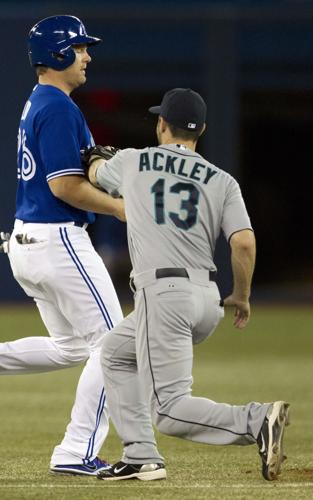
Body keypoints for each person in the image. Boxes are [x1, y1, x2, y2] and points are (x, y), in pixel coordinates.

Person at [0, 15, 125, 476]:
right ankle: (76, 450)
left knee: (71, 347)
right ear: (58, 54)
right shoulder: (58, 106)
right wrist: (122, 209)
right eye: (80, 48)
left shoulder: (39, 102)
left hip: (28, 240)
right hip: (58, 237)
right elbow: (65, 187)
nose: (87, 56)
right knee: (116, 346)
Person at [86, 88, 290, 481]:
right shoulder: (223, 180)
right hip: (206, 299)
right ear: (202, 130)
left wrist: (96, 158)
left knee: (169, 411)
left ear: (162, 124)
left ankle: (256, 421)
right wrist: (242, 295)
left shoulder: (135, 161)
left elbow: (93, 171)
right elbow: (244, 242)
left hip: (163, 295)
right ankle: (140, 454)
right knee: (114, 352)